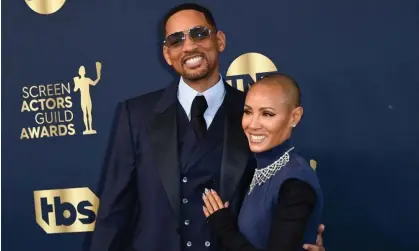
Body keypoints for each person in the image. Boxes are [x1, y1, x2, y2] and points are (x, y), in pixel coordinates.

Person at [88, 3, 325, 251]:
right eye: (176, 40)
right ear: (167, 55)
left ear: (219, 40)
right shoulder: (135, 116)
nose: (189, 46)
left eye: (199, 33)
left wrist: (301, 241)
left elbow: (280, 195)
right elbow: (113, 213)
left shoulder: (253, 115)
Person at [202, 74, 323, 251]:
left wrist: (225, 229)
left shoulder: (295, 183)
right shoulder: (256, 169)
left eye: (267, 114)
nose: (253, 124)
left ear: (294, 117)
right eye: (248, 112)